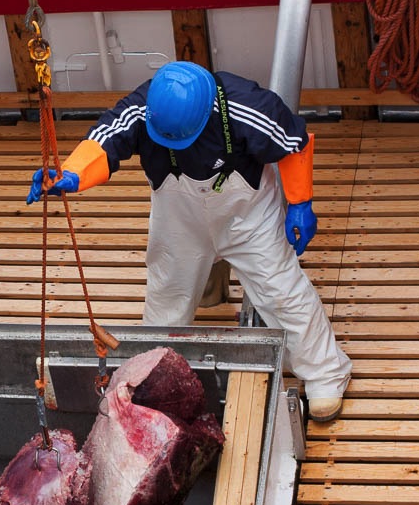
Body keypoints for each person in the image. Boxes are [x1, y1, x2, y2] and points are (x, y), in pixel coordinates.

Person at [26, 61, 351, 422]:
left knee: (282, 292)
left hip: (248, 215)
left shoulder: (249, 105)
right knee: (167, 301)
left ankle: (325, 375)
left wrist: (300, 203)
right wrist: (71, 173)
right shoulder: (142, 106)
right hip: (179, 215)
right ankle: (157, 385)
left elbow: (293, 145)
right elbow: (105, 138)